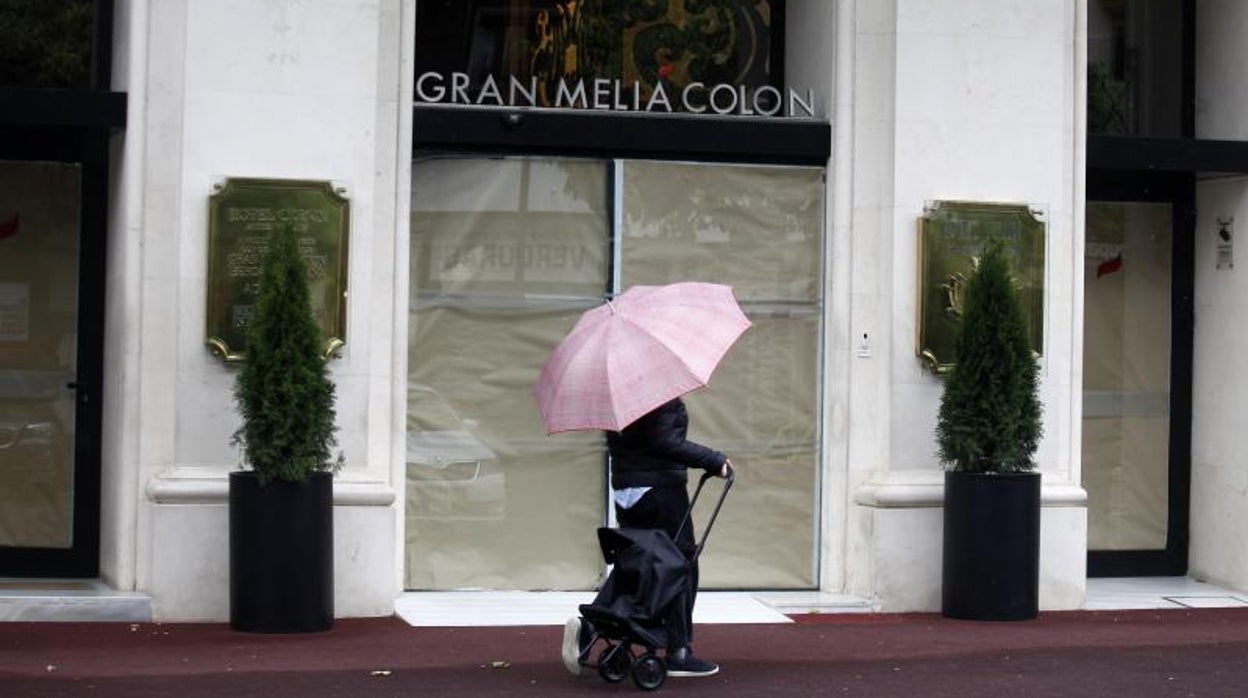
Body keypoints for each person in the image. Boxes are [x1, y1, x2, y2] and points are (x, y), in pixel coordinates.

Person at [562, 397, 732, 678]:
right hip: (660, 490)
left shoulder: (617, 396)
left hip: (627, 492)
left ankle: (595, 623)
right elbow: (665, 442)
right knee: (680, 566)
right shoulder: (659, 395)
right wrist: (714, 460)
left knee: (639, 565)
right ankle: (679, 652)